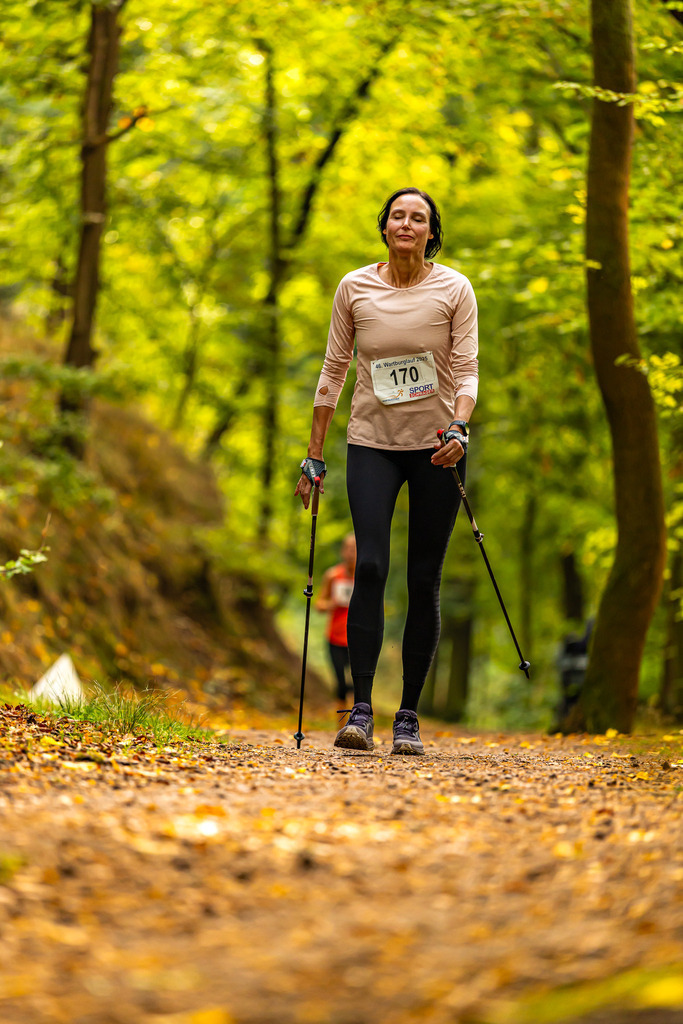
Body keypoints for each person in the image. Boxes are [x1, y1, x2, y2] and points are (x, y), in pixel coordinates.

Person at [295, 186, 478, 755]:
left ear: (430, 232)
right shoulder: (355, 287)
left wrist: (459, 427)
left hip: (437, 449)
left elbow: (467, 371)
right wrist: (315, 454)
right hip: (371, 442)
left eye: (417, 217)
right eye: (397, 215)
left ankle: (408, 716)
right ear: (384, 227)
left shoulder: (454, 288)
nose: (406, 223)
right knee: (370, 565)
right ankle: (362, 709)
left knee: (424, 577)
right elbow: (332, 371)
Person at [316, 533, 356, 703]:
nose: (350, 552)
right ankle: (340, 724)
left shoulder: (365, 578)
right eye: (347, 548)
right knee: (340, 684)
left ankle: (357, 721)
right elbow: (319, 604)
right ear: (342, 551)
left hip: (357, 639)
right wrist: (331, 603)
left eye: (354, 548)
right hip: (335, 637)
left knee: (358, 683)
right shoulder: (333, 575)